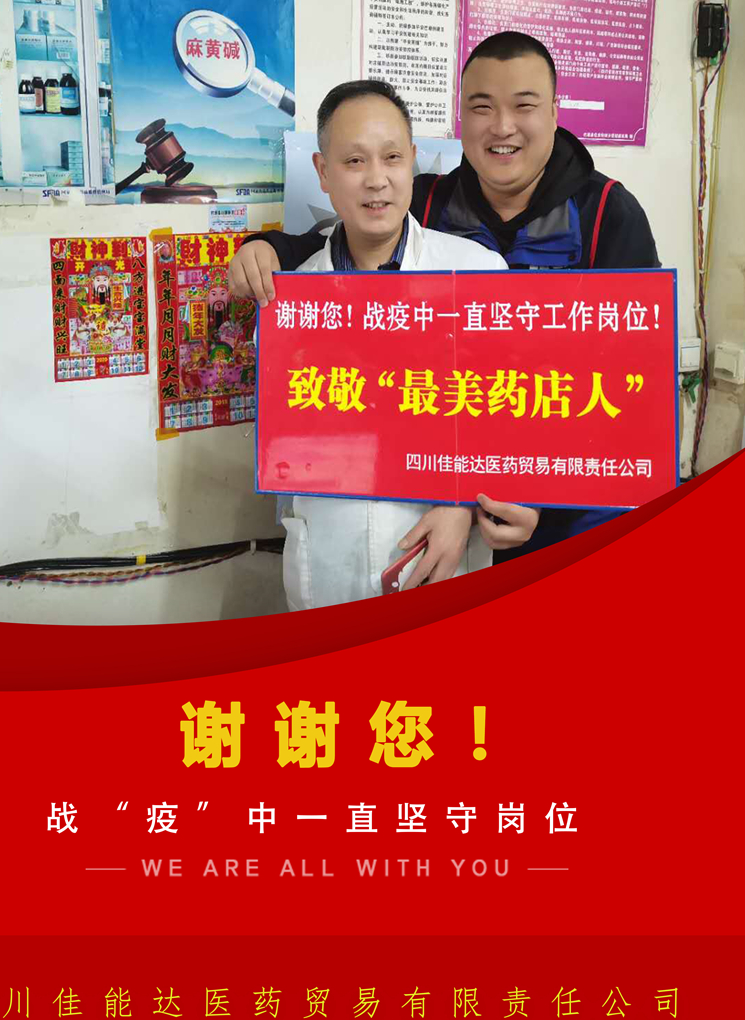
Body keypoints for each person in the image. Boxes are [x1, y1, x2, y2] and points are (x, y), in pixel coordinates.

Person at [231, 33, 661, 560]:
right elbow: (341, 242)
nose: (502, 127)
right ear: (461, 119)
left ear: (554, 113)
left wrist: (534, 492)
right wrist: (267, 247)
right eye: (482, 108)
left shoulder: (607, 214)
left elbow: (634, 390)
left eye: (523, 106)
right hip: (450, 514)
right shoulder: (430, 201)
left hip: (570, 514)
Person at [272, 78, 539, 611]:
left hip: (444, 559)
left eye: (392, 157)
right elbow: (284, 453)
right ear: (323, 172)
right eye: (354, 161)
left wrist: (468, 502)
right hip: (327, 565)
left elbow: (518, 416)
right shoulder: (288, 300)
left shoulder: (479, 273)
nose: (377, 179)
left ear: (412, 160)